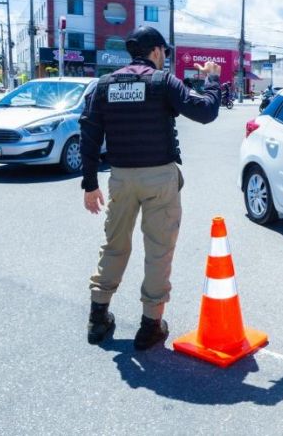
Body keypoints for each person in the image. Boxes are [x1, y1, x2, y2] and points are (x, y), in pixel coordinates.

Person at [79, 25, 222, 350]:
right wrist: (213, 80)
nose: (165, 58)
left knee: (114, 245)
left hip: (120, 179)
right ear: (156, 51)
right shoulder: (162, 82)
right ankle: (150, 326)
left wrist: (90, 184)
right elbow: (205, 112)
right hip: (159, 178)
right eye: (164, 53)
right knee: (158, 250)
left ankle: (98, 317)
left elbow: (89, 132)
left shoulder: (105, 85)